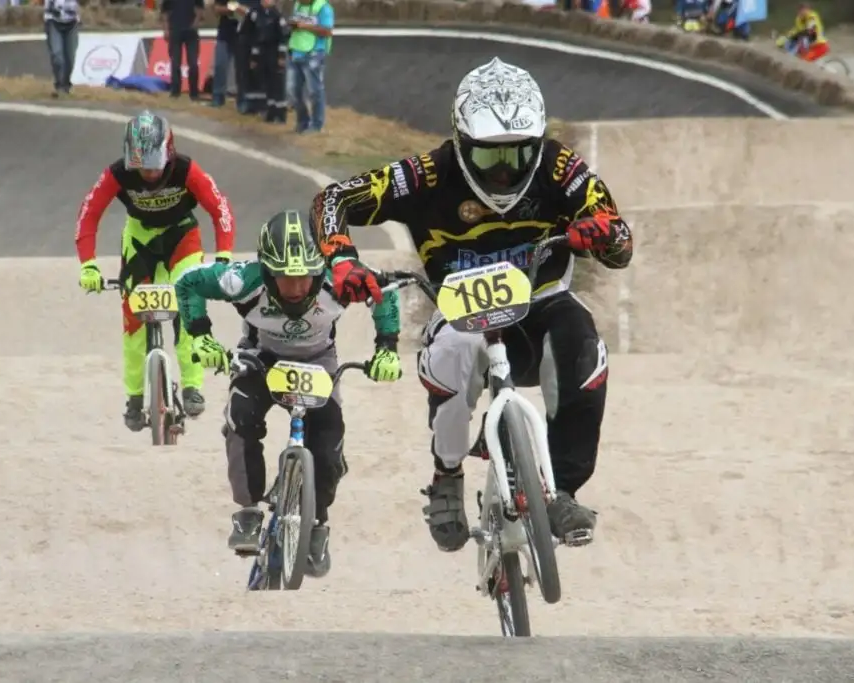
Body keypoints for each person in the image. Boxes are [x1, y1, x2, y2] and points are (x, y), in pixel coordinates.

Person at [309, 57, 633, 554]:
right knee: (456, 348)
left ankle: (562, 490)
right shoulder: (425, 174)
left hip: (541, 303)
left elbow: (621, 242)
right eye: (489, 159)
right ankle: (447, 474)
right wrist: (341, 260)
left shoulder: (560, 166)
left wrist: (603, 235)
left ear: (538, 142)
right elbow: (333, 201)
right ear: (461, 144)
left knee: (584, 345)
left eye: (519, 156)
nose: (504, 174)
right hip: (460, 308)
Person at [174, 210, 403, 577]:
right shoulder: (242, 280)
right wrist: (200, 335)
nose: (296, 288)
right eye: (285, 279)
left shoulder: (341, 280)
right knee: (240, 419)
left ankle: (318, 526)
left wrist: (387, 348)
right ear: (266, 272)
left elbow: (385, 293)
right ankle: (247, 511)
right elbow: (187, 282)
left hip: (319, 363)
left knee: (329, 448)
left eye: (304, 278)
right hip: (260, 361)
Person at [76, 111, 236, 432]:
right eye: (142, 166)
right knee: (133, 323)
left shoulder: (187, 170)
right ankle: (134, 399)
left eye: (155, 164)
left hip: (182, 238)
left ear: (169, 153)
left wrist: (223, 257)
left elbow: (220, 209)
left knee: (188, 309)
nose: (148, 172)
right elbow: (89, 213)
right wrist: (88, 264)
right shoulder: (118, 174)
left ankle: (192, 386)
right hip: (140, 240)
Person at [286, 0, 334, 134]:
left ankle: (316, 125)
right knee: (293, 90)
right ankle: (302, 122)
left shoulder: (323, 7)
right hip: (296, 50)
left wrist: (304, 26)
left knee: (314, 91)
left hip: (314, 53)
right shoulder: (298, 4)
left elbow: (327, 31)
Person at [238, 0, 289, 122]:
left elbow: (283, 36)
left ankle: (280, 113)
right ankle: (270, 111)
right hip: (263, 52)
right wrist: (254, 57)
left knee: (277, 83)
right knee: (267, 82)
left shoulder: (277, 15)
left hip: (274, 52)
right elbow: (254, 36)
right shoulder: (257, 13)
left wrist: (281, 56)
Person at [160, 0, 204, 100]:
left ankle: (194, 92)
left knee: (193, 63)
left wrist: (196, 22)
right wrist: (166, 29)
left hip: (191, 31)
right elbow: (164, 11)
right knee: (175, 62)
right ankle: (175, 92)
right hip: (175, 29)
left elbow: (200, 8)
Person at [43, 0, 80, 98]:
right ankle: (59, 85)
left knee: (70, 57)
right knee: (57, 54)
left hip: (72, 22)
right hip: (53, 20)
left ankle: (66, 85)